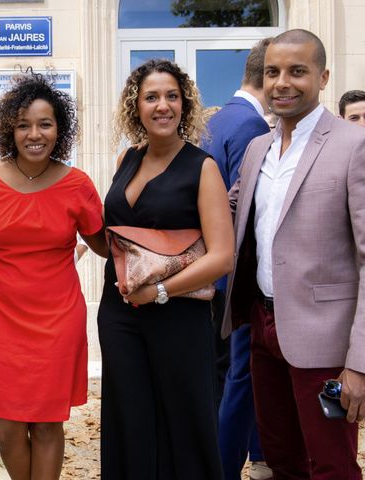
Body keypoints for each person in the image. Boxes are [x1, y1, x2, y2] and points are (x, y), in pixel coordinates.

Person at [223, 29, 365, 478]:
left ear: (323, 77)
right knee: (280, 460)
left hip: (325, 341)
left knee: (332, 466)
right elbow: (225, 212)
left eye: (297, 71)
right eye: (272, 72)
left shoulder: (353, 145)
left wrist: (359, 365)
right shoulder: (256, 148)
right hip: (262, 331)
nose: (282, 82)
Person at [0, 72, 105, 480]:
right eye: (23, 124)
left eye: (45, 123)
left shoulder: (78, 185)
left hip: (57, 320)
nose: (34, 134)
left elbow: (105, 245)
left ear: (60, 129)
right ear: (9, 129)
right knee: (4, 426)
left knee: (46, 423)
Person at [98, 58, 234, 479]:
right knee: (129, 416)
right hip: (120, 311)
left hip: (178, 313)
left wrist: (159, 292)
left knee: (183, 418)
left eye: (172, 96)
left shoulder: (202, 166)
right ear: (135, 106)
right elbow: (117, 236)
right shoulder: (127, 159)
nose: (163, 106)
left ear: (185, 104)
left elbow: (221, 256)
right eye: (151, 97)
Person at [200, 38, 273, 480]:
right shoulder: (251, 126)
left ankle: (256, 452)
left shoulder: (217, 119)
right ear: (266, 75)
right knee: (239, 381)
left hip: (215, 276)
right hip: (234, 279)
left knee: (231, 379)